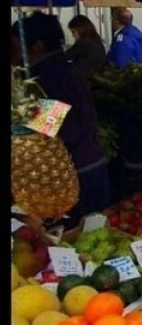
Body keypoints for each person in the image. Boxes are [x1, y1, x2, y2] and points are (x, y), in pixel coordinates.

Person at [11, 12, 111, 225]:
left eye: (15, 46)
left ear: (37, 46)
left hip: (75, 173)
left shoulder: (49, 77)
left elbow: (48, 129)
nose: (13, 53)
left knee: (79, 237)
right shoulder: (62, 68)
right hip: (88, 164)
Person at [65, 15, 107, 80]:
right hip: (97, 78)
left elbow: (65, 56)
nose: (73, 35)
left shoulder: (83, 43)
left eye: (73, 32)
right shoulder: (96, 40)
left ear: (80, 29)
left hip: (85, 80)